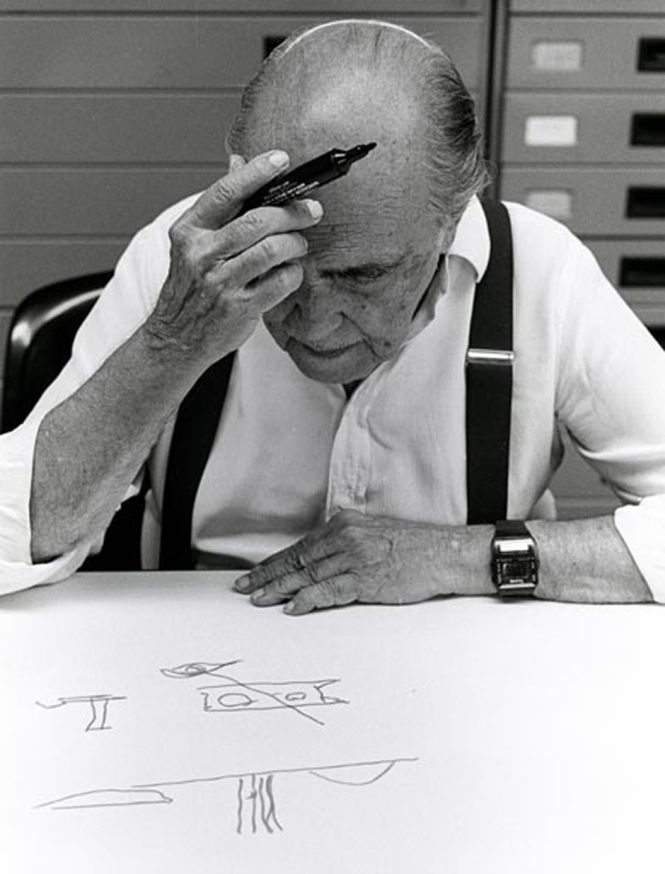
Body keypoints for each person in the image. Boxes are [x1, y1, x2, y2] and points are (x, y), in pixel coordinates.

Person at [1, 19, 664, 610]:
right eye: (278, 269)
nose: (312, 326)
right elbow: (16, 535)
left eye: (364, 276)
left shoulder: (538, 269)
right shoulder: (176, 258)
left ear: (451, 219)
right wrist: (171, 345)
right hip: (198, 658)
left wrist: (462, 556)